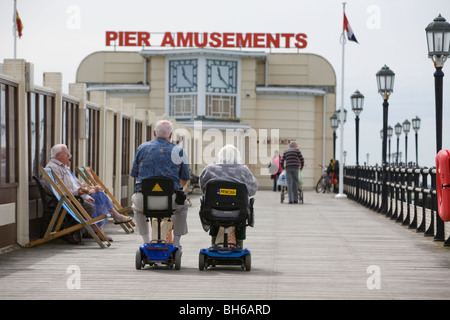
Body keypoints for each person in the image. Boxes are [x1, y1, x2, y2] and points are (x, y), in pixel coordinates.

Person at [43, 144, 132, 240]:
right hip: (65, 201)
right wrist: (82, 193)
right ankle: (103, 227)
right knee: (95, 200)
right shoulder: (54, 168)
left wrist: (89, 190)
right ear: (58, 155)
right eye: (67, 153)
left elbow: (76, 184)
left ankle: (101, 228)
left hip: (73, 197)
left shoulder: (63, 167)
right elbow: (61, 191)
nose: (69, 156)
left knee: (99, 195)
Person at [130, 120, 190, 248]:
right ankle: (176, 242)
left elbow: (134, 174)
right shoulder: (179, 151)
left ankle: (146, 241)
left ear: (154, 132)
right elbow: (184, 178)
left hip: (144, 200)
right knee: (183, 206)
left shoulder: (142, 148)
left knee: (136, 207)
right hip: (169, 200)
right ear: (171, 134)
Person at [199, 144, 258, 248]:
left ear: (220, 156)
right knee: (243, 212)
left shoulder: (210, 169)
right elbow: (253, 190)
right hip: (238, 213)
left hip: (214, 211)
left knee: (212, 210)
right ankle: (239, 244)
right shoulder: (244, 171)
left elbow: (204, 189)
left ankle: (214, 243)